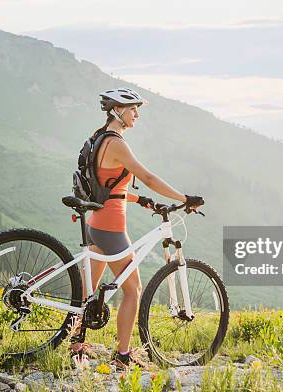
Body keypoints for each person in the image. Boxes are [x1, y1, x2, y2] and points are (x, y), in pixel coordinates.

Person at [69, 88, 204, 369]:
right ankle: (123, 355)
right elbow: (148, 176)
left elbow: (105, 186)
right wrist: (184, 198)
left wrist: (140, 199)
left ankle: (77, 346)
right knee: (133, 289)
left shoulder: (98, 137)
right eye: (133, 109)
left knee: (90, 291)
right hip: (110, 228)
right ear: (117, 110)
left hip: (96, 224)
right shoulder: (116, 143)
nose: (137, 115)